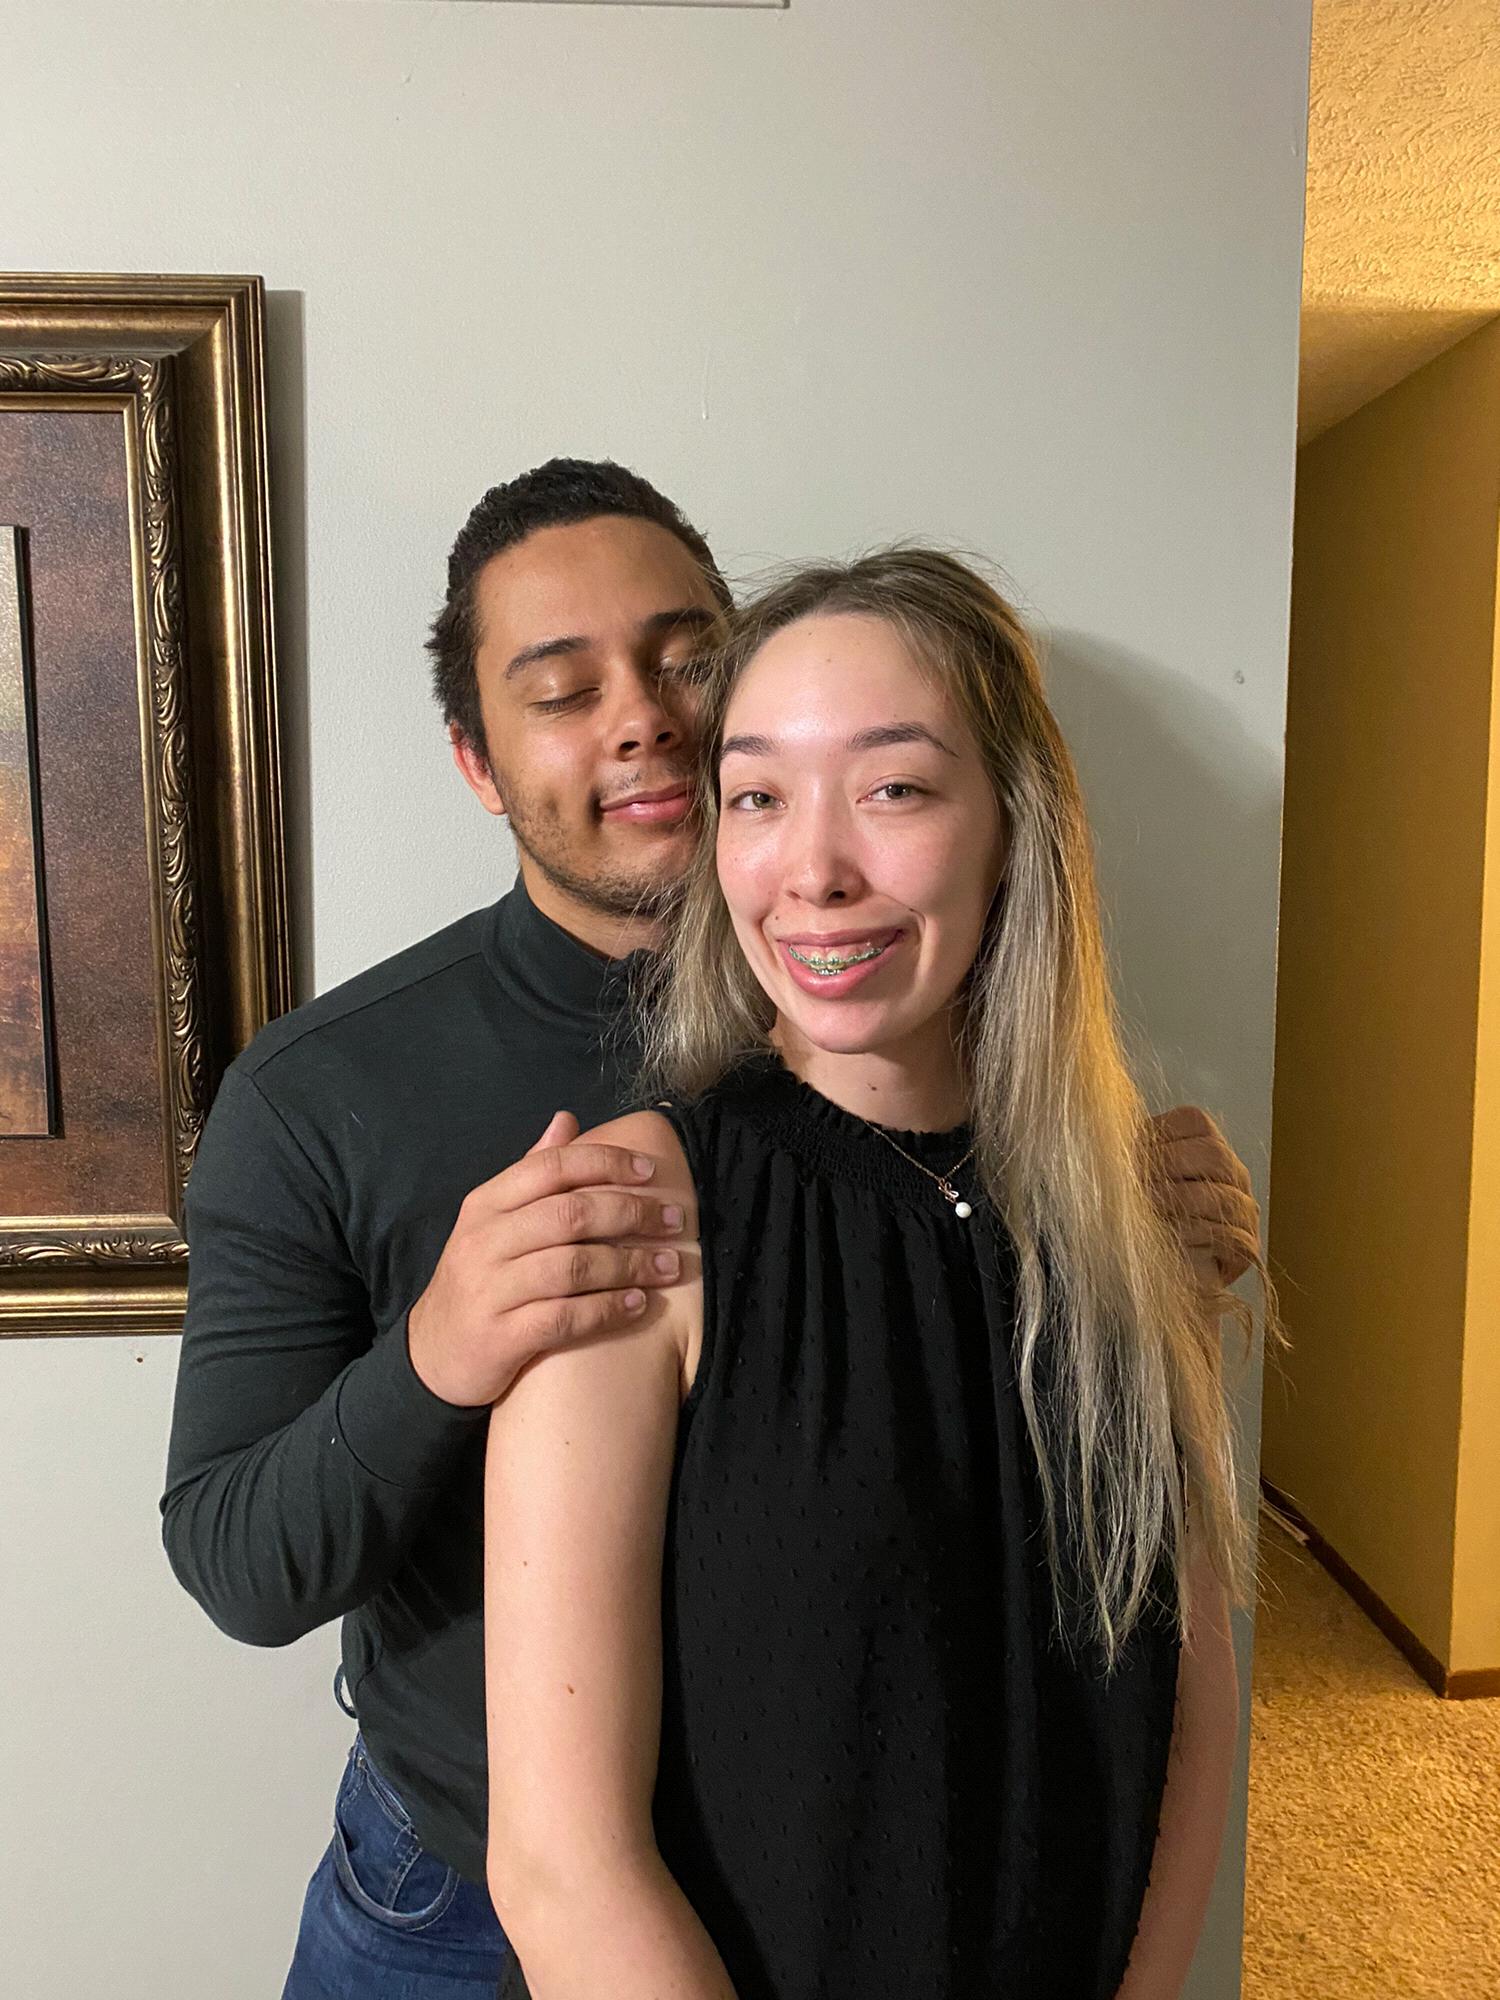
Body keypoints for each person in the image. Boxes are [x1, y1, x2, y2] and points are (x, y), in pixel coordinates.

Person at [160, 460, 1263, 1999]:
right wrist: (439, 1352)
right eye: (564, 690)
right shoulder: (331, 1093)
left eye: (686, 663)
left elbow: (1154, 1660)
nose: (644, 720)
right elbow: (238, 1560)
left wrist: (1131, 1233)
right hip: (469, 1879)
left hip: (898, 1858)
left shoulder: (945, 1077)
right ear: (478, 763)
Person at [484, 547, 1263, 2000]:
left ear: (1013, 828)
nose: (815, 871)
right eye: (758, 797)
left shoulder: (1134, 1214)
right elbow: (558, 1865)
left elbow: (1187, 1705)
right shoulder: (633, 1226)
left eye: (894, 788)